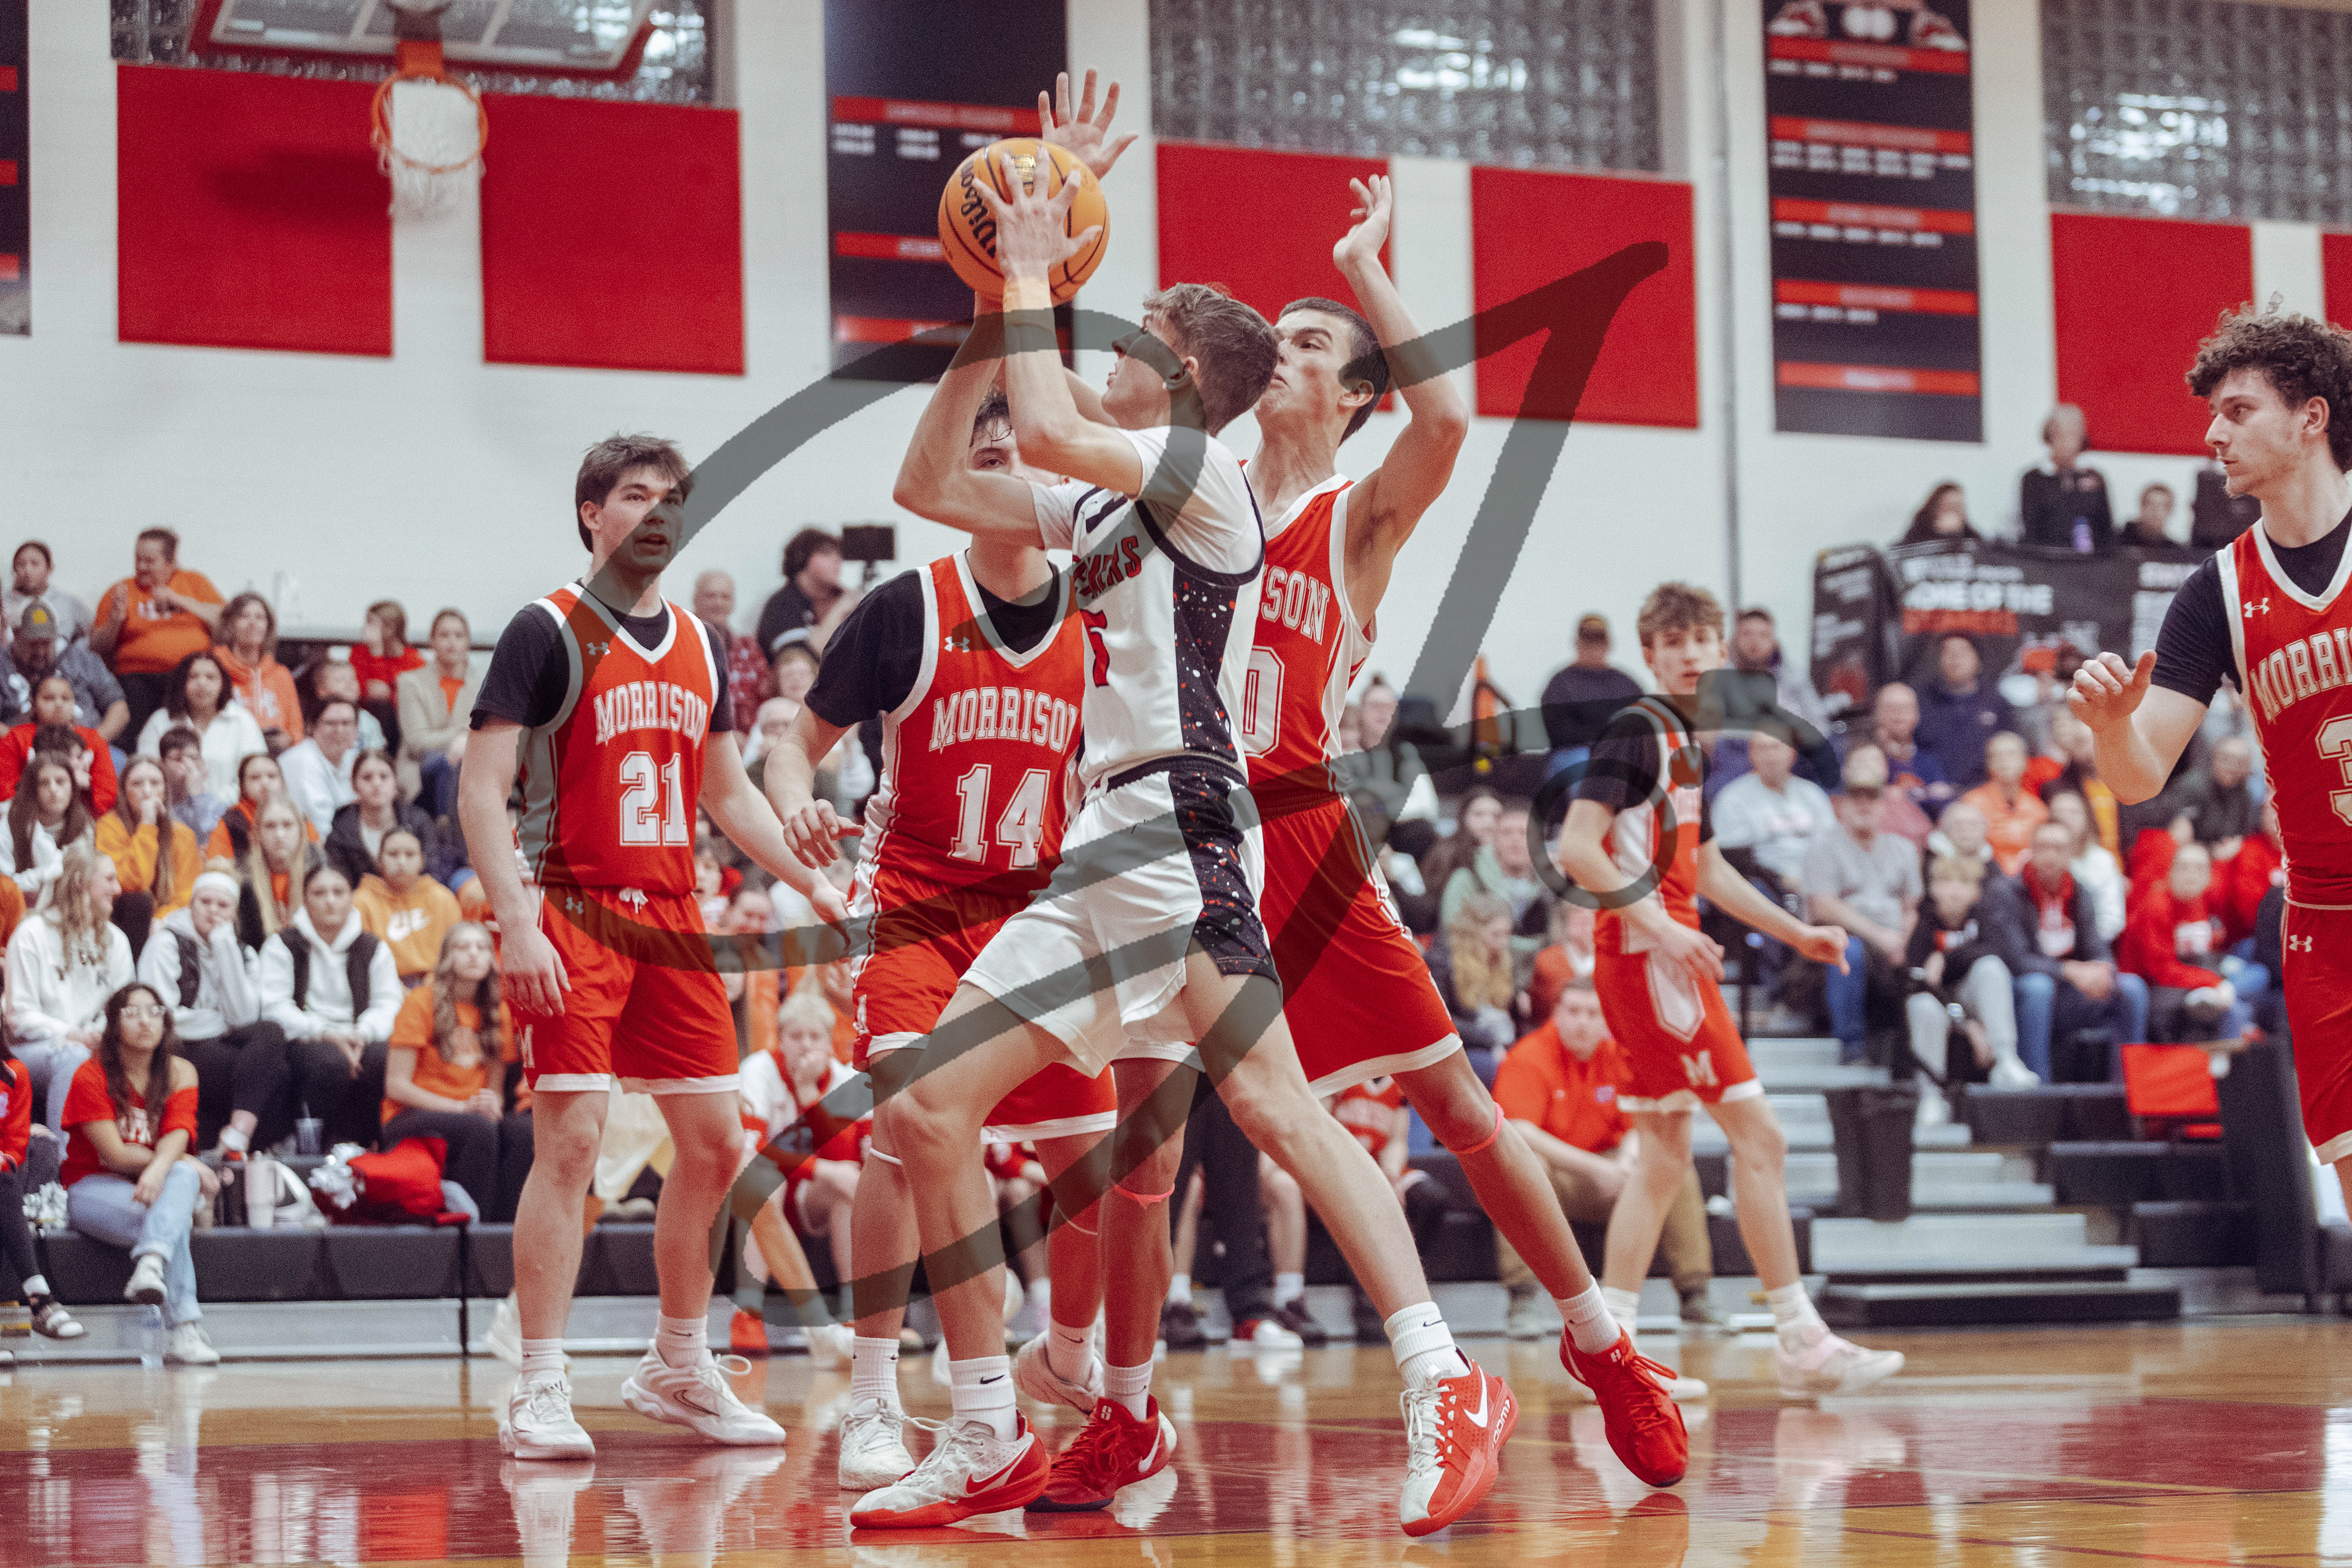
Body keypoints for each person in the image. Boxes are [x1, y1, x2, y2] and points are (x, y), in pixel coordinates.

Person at [869, 140, 1515, 1534]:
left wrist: (1031, 266)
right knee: (927, 1110)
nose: (1105, 346)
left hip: (1178, 823)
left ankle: (1441, 1376)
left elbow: (1046, 426)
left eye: (1131, 336)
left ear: (1169, 374)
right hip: (1108, 840)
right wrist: (992, 301)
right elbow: (931, 483)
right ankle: (988, 1433)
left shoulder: (1198, 472)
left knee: (1276, 1111)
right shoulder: (1109, 493)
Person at [459, 432, 845, 1463]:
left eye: (672, 499)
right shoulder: (545, 628)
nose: (657, 515)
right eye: (636, 496)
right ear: (593, 514)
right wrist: (516, 919)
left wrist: (814, 879)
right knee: (573, 1143)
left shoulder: (703, 645)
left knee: (717, 1143)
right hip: (574, 906)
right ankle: (540, 1383)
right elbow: (480, 791)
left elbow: (729, 795)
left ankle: (678, 1361)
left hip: (675, 917)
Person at [763, 389, 1119, 1491]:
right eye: (986, 453)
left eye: (1025, 451)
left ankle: (1066, 1357)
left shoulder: (1102, 613)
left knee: (1092, 1161)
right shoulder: (904, 608)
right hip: (916, 904)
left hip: (1042, 913)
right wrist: (796, 802)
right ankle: (875, 1396)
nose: (1008, 466)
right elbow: (794, 745)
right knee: (905, 1134)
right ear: (959, 479)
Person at [1555, 580, 1904, 1399]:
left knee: (1662, 1158)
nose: (1686, 653)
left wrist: (1797, 933)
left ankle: (1606, 1348)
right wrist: (1663, 928)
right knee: (1760, 1139)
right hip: (1650, 959)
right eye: (1670, 641)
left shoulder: (1688, 741)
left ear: (1721, 652)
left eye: (1697, 640)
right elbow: (1577, 848)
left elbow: (1705, 866)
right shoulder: (1639, 729)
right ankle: (1800, 1338)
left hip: (1653, 955)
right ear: (1650, 655)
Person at [2071, 307, 2352, 1175]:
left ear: (2310, 417)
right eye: (2213, 415)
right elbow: (2139, 776)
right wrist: (2110, 730)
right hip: (2325, 922)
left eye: (2238, 411)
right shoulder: (2214, 593)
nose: (2212, 435)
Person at [1492, 979, 1713, 1338]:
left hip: (1613, 1168)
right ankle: (1522, 1299)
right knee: (1518, 1166)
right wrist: (1599, 1169)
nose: (1582, 1022)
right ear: (1557, 1014)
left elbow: (1642, 1123)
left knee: (1675, 1166)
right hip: (1561, 1176)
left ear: (1606, 1020)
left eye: (1592, 1014)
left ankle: (1696, 1295)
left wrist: (1626, 1161)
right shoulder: (1528, 1055)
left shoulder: (1619, 1053)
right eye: (1573, 1011)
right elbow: (1520, 1131)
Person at [58, 982, 219, 1364]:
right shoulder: (89, 1076)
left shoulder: (181, 1072)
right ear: (113, 1024)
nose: (145, 1021)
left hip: (157, 1189)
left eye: (154, 1012)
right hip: (92, 1187)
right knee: (175, 1208)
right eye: (132, 1013)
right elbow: (114, 1154)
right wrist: (177, 1162)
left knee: (181, 1181)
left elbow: (179, 1133)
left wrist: (164, 1166)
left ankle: (150, 1263)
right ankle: (185, 1329)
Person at [1982, 820, 2147, 1082]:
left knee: (2132, 989)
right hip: (2023, 992)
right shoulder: (2006, 892)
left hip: (2070, 991)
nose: (2051, 855)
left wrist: (2102, 971)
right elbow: (2015, 960)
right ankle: (2039, 1090)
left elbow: (2098, 949)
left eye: (2058, 848)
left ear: (2071, 853)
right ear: (2031, 851)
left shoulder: (2082, 891)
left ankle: (2128, 1090)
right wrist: (2067, 970)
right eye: (2044, 847)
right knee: (2038, 987)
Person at [141, 869, 288, 1156]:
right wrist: (221, 1022)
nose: (213, 911)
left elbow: (244, 1019)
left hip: (219, 1042)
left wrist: (224, 947)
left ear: (235, 913)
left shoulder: (243, 953)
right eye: (205, 902)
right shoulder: (165, 944)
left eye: (223, 905)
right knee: (274, 1072)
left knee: (271, 1032)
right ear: (191, 904)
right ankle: (235, 1144)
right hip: (179, 1045)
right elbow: (160, 1018)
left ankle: (238, 1133)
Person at [737, 990, 867, 1313]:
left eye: (815, 1037)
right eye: (796, 1036)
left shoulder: (846, 1078)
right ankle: (748, 1315)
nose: (806, 1046)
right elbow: (749, 1150)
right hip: (761, 1188)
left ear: (830, 1043)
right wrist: (820, 1169)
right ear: (780, 1040)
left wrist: (809, 1093)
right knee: (765, 1181)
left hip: (810, 1197)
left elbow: (844, 1160)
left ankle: (856, 1310)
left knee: (849, 1188)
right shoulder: (758, 1070)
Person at [257, 859, 399, 1148]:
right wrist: (325, 1032)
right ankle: (314, 1147)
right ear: (305, 899)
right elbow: (273, 1007)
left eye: (339, 892)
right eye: (319, 893)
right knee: (330, 1062)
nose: (330, 901)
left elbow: (389, 1003)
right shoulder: (283, 945)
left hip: (360, 1036)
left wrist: (362, 1033)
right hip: (306, 1038)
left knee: (383, 1058)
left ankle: (375, 1145)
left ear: (352, 897)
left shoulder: (373, 947)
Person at [380, 922, 510, 1217]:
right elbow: (396, 1086)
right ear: (446, 958)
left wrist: (493, 1106)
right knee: (479, 1128)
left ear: (493, 960)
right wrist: (461, 1108)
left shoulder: (499, 1011)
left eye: (482, 948)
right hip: (409, 1116)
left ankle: (506, 1230)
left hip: (469, 1113)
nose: (474, 954)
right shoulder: (420, 1002)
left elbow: (495, 1090)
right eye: (463, 947)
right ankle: (474, 1227)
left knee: (518, 1134)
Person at [1804, 760, 1923, 1067]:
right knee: (1849, 950)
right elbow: (1824, 905)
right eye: (1856, 797)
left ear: (1884, 805)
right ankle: (1852, 1047)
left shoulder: (1904, 849)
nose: (1864, 805)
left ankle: (1913, 1060)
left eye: (1872, 797)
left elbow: (1913, 907)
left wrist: (1901, 941)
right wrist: (1881, 937)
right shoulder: (1823, 846)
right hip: (1840, 943)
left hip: (1895, 944)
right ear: (1841, 805)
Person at [9, 845, 134, 1134]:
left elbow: (123, 1006)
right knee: (74, 1056)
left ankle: (128, 1151)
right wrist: (72, 1034)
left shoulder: (116, 940)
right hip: (34, 1050)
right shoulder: (32, 934)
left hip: (96, 1045)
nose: (118, 889)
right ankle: (61, 1157)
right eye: (109, 879)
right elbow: (20, 1016)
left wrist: (98, 1035)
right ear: (81, 882)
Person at [1903, 854, 2030, 1128]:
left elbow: (1998, 952)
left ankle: (2006, 1060)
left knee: (1991, 967)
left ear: (1976, 891)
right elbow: (1916, 983)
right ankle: (1931, 1096)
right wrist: (1965, 1023)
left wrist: (1946, 959)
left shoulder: (1984, 917)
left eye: (1963, 882)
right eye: (1945, 881)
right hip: (1939, 1005)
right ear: (1932, 888)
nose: (1954, 890)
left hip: (1972, 997)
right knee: (1921, 1005)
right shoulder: (1923, 922)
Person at [2118, 839, 2258, 1044]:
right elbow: (2161, 971)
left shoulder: (2200, 901)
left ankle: (2229, 1021)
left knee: (2256, 974)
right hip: (2153, 987)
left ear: (2209, 876)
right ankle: (2231, 1041)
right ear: (2171, 871)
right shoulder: (2157, 905)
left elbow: (2203, 955)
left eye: (2199, 869)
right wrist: (2212, 982)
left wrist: (2214, 979)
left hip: (2189, 976)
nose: (2191, 875)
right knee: (2228, 1002)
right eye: (2184, 867)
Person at [90, 528, 224, 741]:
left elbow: (226, 621)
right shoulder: (121, 590)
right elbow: (97, 646)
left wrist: (178, 599)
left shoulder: (194, 582)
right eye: (138, 559)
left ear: (171, 562)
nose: (141, 567)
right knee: (133, 724)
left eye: (150, 561)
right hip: (137, 677)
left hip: (187, 674)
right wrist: (115, 620)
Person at [0, 1023, 86, 1351]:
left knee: (5, 1181)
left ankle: (37, 1295)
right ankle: (40, 1299)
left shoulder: (14, 1073)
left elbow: (16, 1144)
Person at [1712, 607, 1837, 789]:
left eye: (1763, 635)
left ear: (1773, 641)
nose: (1755, 642)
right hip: (1740, 749)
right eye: (1747, 634)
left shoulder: (1792, 674)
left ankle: (1819, 802)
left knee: (1828, 747)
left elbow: (1819, 722)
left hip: (1789, 746)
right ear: (1735, 640)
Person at [97, 755, 200, 955]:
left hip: (166, 925)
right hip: (122, 920)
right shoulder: (108, 827)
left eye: (155, 783)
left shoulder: (183, 836)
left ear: (165, 790)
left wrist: (161, 919)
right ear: (124, 791)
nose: (147, 792)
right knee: (139, 902)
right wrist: (147, 825)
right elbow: (132, 884)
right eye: (137, 784)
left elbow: (186, 895)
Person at [134, 649, 265, 802]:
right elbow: (145, 773)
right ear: (181, 683)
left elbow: (257, 774)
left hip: (232, 810)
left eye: (211, 677)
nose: (202, 683)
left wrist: (210, 803)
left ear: (223, 684)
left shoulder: (242, 720)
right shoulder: (161, 721)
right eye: (193, 677)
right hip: (170, 810)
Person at [325, 748, 458, 891]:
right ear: (354, 785)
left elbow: (433, 872)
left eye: (384, 777)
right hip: (362, 900)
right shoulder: (341, 828)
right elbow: (339, 881)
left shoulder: (418, 820)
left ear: (395, 783)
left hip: (415, 897)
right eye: (367, 778)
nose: (376, 784)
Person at [1425, 889, 1527, 1075]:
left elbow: (1515, 1019)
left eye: (1506, 934)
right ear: (1474, 932)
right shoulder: (1443, 960)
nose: (1503, 943)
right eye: (1496, 934)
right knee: (1501, 1070)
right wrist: (1489, 1039)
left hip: (1501, 1042)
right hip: (1462, 1049)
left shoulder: (1503, 958)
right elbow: (1439, 1021)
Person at [1436, 796, 1553, 958]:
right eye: (1507, 832)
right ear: (1494, 839)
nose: (1516, 839)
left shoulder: (1551, 890)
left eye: (1524, 833)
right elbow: (1453, 936)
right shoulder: (1467, 880)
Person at [353, 827, 464, 987]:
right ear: (379, 861)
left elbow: (456, 952)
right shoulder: (362, 902)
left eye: (410, 854)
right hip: (383, 986)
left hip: (438, 985)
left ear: (422, 860)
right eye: (393, 854)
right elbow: (361, 960)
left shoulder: (442, 898)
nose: (401, 862)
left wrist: (430, 987)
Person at [0, 601, 126, 742]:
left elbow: (119, 706)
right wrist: (20, 743)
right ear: (16, 636)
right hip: (19, 747)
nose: (40, 652)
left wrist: (95, 741)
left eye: (46, 643)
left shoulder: (82, 660)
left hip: (86, 743)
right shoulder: (3, 666)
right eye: (33, 644)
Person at [396, 608, 479, 816]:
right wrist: (463, 733)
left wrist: (464, 745)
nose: (452, 642)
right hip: (419, 769)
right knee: (448, 764)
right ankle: (446, 828)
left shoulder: (483, 685)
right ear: (432, 641)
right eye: (444, 635)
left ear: (468, 642)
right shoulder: (411, 682)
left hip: (470, 767)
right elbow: (417, 742)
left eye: (459, 635)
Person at [1540, 613, 1643, 778]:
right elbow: (1560, 735)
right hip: (1575, 758)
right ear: (1577, 644)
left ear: (1608, 645)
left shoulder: (1628, 685)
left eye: (1599, 643)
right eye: (1588, 643)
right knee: (1581, 759)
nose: (1594, 650)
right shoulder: (1561, 683)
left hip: (1618, 756)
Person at [0, 674, 119, 813]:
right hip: (26, 814)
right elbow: (5, 790)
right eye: (49, 698)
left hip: (83, 816)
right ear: (33, 704)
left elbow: (107, 794)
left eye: (66, 698)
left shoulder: (93, 740)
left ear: (74, 704)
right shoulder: (16, 738)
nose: (59, 704)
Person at [1915, 632, 2015, 789]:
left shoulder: (1996, 703)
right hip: (1934, 792)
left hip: (1985, 793)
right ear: (1940, 661)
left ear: (1977, 659)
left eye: (1962, 652)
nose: (1955, 659)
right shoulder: (1923, 702)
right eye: (1948, 652)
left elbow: (2013, 750)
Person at [232, 793, 323, 952]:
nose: (279, 835)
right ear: (258, 832)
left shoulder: (320, 874)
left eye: (287, 825)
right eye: (270, 826)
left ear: (301, 830)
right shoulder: (242, 880)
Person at [1, 748, 96, 904]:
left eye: (60, 781)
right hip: (17, 905)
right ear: (33, 790)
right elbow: (4, 886)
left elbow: (86, 879)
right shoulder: (12, 822)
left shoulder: (83, 824)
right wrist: (46, 873)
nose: (53, 789)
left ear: (72, 786)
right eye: (44, 783)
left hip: (69, 905)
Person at [2019, 402, 2115, 553]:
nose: (2067, 442)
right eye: (2061, 435)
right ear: (2049, 437)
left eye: (2073, 435)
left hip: (2088, 562)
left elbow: (2106, 529)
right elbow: (2029, 528)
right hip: (2044, 560)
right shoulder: (2034, 478)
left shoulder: (2095, 477)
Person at [211, 592, 303, 748]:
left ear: (268, 627)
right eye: (244, 616)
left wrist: (287, 740)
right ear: (230, 624)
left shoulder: (280, 674)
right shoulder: (214, 668)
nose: (252, 623)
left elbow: (296, 731)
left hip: (273, 755)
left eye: (260, 618)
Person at [757, 528, 859, 658]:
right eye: (826, 553)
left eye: (839, 554)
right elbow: (800, 660)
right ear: (801, 558)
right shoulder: (781, 604)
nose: (837, 559)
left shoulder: (848, 598)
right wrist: (842, 608)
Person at [1959, 731, 2049, 875]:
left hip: (2028, 880)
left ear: (2025, 762)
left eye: (2011, 754)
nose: (2004, 761)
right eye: (1996, 756)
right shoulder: (1972, 804)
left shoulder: (2037, 809)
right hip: (1985, 875)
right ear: (1988, 764)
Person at [692, 571, 769, 736]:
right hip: (699, 738)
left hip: (746, 740)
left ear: (733, 603)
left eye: (725, 597)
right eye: (711, 596)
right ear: (696, 600)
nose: (718, 603)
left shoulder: (748, 647)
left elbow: (764, 696)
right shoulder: (683, 644)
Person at [2048, 789, 2127, 943]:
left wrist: (2086, 944)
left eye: (2074, 812)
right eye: (2059, 812)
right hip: (2045, 946)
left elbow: (2113, 917)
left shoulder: (2103, 860)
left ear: (2087, 818)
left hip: (2093, 943)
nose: (2066, 818)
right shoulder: (2031, 859)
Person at [277, 696, 362, 840]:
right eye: (330, 723)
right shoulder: (301, 760)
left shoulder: (352, 757)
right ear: (312, 727)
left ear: (356, 729)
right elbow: (322, 826)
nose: (339, 730)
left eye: (346, 723)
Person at [206, 752, 314, 864]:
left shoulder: (298, 818)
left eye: (271, 776)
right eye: (255, 778)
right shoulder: (229, 823)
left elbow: (316, 861)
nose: (265, 783)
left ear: (283, 782)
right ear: (243, 785)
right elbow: (217, 867)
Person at [350, 600, 423, 752]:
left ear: (389, 629)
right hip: (364, 719)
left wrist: (388, 694)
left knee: (384, 705)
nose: (364, 628)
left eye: (370, 623)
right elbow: (360, 692)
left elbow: (409, 700)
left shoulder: (412, 659)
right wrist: (376, 653)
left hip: (400, 724)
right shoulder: (359, 653)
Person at [6, 540, 92, 647]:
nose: (28, 570)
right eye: (21, 564)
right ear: (14, 569)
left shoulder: (67, 602)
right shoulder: (4, 602)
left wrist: (73, 651)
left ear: (49, 568)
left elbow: (92, 632)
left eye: (35, 564)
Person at [2176, 736, 2257, 845]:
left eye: (2240, 762)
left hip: (2224, 851)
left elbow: (2242, 834)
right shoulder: (2193, 786)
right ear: (2215, 758)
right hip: (2192, 849)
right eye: (2226, 759)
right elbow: (2179, 830)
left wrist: (2236, 844)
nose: (2232, 767)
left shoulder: (2244, 795)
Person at [157, 725, 228, 843]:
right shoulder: (159, 805)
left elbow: (215, 840)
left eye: (193, 758)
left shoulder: (216, 804)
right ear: (162, 764)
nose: (187, 764)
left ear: (202, 763)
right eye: (178, 759)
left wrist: (198, 795)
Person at [1896, 481, 1981, 545]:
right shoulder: (1920, 528)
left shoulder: (1968, 532)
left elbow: (1983, 551)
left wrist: (1957, 533)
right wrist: (1942, 534)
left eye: (1959, 506)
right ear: (1937, 507)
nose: (1954, 510)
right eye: (1950, 505)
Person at [2122, 481, 2178, 548]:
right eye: (2151, 504)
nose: (2156, 510)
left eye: (2161, 506)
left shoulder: (2173, 550)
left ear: (2170, 511)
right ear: (2142, 507)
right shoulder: (2119, 543)